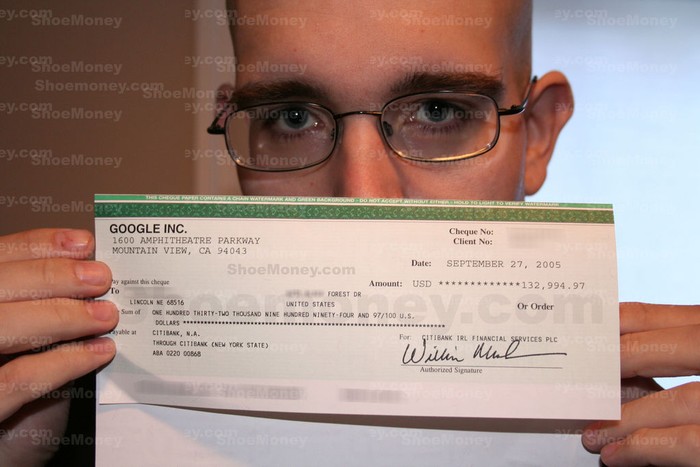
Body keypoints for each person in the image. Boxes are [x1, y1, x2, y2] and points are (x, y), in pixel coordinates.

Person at [1, 1, 698, 465]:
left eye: (438, 109)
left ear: (537, 135)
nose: (365, 199)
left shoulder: (652, 437)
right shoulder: (64, 423)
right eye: (293, 117)